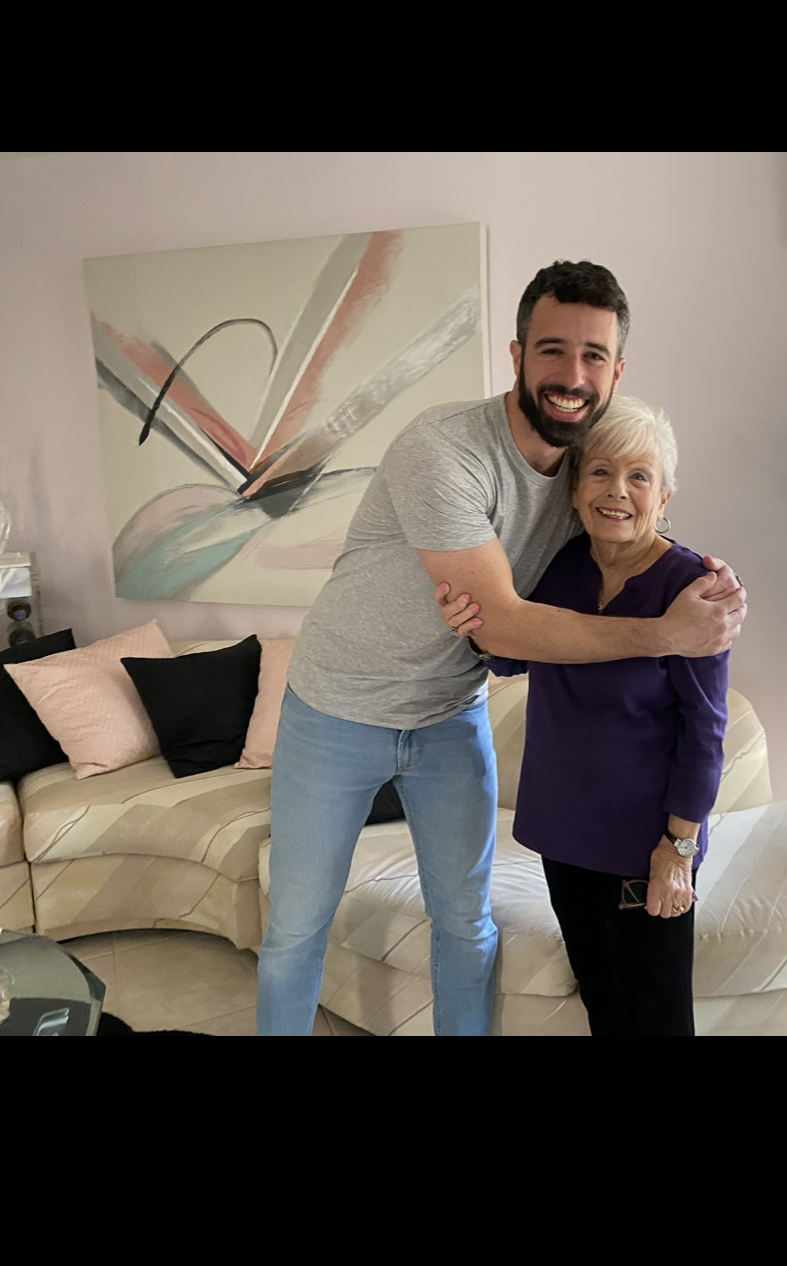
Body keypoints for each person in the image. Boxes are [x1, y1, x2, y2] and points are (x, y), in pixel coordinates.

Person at [256, 262, 745, 1036]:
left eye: (592, 357)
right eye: (552, 351)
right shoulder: (443, 450)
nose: (571, 376)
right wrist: (663, 634)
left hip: (450, 715)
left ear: (616, 372)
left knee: (465, 924)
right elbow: (511, 633)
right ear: (516, 355)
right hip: (337, 710)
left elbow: (634, 528)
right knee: (295, 926)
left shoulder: (584, 474)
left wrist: (702, 579)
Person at [440, 399, 728, 1036]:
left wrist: (678, 849)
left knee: (654, 1016)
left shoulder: (692, 589)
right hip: (564, 832)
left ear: (665, 493)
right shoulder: (563, 566)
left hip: (645, 843)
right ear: (575, 488)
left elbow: (705, 732)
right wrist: (477, 631)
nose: (616, 491)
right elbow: (519, 657)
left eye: (639, 476)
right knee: (601, 996)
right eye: (599, 472)